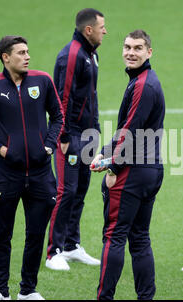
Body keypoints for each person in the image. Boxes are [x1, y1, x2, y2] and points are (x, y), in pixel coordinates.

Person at [0, 36, 65, 300]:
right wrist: (0, 149)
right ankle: (0, 292)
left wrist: (48, 146)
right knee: (2, 236)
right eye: (21, 53)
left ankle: (28, 291)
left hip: (40, 175)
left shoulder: (43, 81)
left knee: (36, 235)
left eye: (28, 51)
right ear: (5, 57)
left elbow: (58, 116)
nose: (27, 56)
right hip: (7, 175)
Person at [90, 29, 165, 300]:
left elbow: (131, 131)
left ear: (149, 52)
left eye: (138, 48)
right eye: (127, 47)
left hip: (132, 172)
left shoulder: (143, 85)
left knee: (114, 236)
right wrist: (105, 152)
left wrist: (113, 167)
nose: (130, 52)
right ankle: (146, 301)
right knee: (140, 237)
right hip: (150, 169)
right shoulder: (144, 79)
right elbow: (126, 129)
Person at [46, 8, 107, 271]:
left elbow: (90, 96)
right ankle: (54, 251)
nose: (106, 31)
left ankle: (71, 245)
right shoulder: (71, 55)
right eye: (102, 27)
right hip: (70, 136)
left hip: (87, 136)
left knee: (80, 190)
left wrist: (94, 131)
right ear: (89, 30)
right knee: (66, 191)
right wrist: (63, 135)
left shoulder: (91, 55)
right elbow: (63, 96)